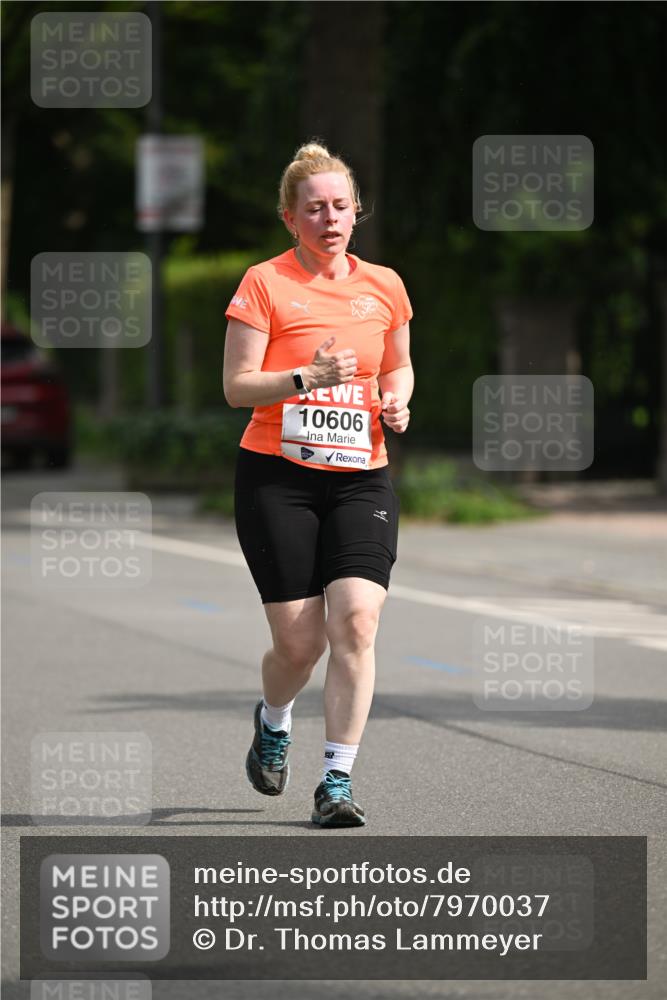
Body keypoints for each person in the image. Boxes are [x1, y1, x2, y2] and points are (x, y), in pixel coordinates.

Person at [223, 141, 413, 828]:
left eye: (340, 206)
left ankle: (336, 781)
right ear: (289, 218)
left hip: (362, 477)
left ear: (355, 212)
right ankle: (273, 720)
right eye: (314, 209)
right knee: (299, 645)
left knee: (357, 622)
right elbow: (236, 386)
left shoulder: (384, 285)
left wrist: (398, 402)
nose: (329, 218)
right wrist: (306, 378)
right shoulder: (263, 283)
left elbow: (397, 367)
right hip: (278, 477)